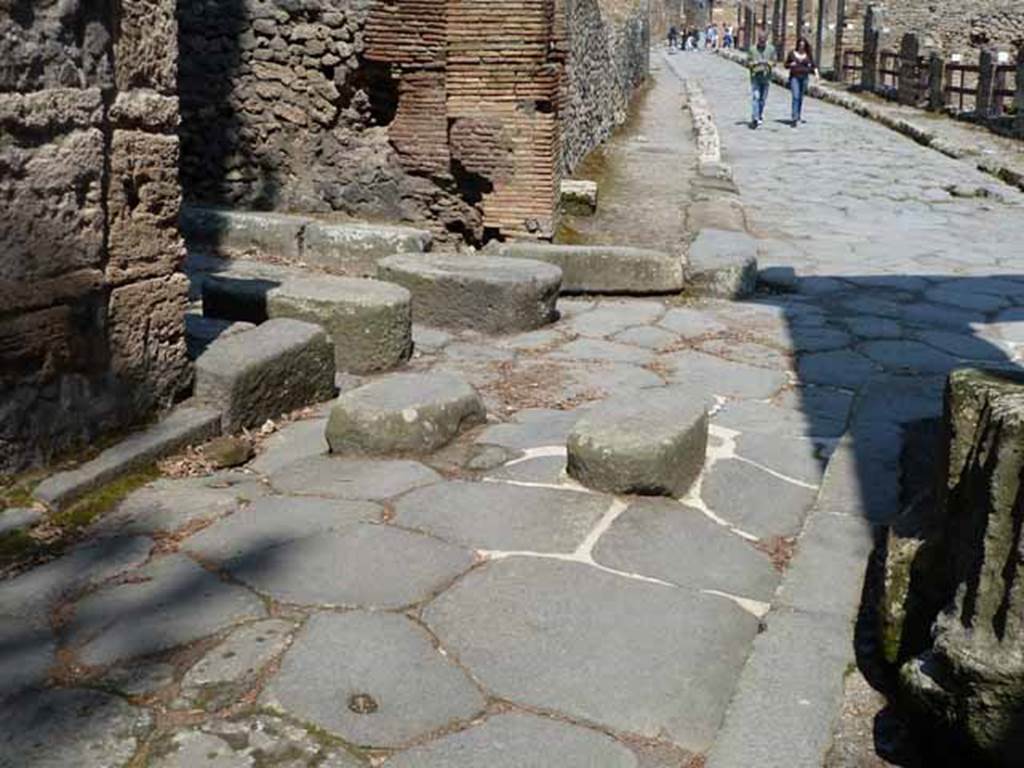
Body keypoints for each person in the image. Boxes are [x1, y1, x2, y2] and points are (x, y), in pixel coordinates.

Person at [784, 37, 819, 126]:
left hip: (804, 78)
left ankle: (798, 115)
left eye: (803, 46)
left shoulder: (808, 55)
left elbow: (813, 65)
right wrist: (791, 64)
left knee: (800, 97)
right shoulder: (792, 54)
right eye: (800, 45)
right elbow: (786, 65)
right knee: (795, 96)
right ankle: (794, 117)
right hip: (794, 77)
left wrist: (816, 74)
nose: (801, 47)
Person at [747, 31, 776, 128]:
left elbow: (774, 62)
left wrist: (768, 63)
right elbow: (748, 62)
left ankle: (759, 114)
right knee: (756, 97)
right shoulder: (752, 49)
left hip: (766, 77)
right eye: (760, 40)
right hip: (755, 76)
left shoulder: (771, 49)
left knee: (762, 99)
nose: (762, 42)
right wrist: (754, 63)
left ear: (766, 40)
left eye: (763, 40)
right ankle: (755, 117)